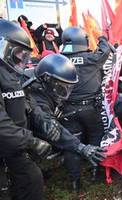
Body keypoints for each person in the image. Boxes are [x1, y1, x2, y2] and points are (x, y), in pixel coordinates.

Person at [23, 54, 106, 169]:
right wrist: (80, 147)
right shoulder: (34, 91)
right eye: (61, 87)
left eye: (69, 88)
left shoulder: (40, 81)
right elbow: (47, 123)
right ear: (47, 79)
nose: (65, 95)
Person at [0, 19, 52, 200]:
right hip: (10, 144)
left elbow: (29, 105)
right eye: (18, 54)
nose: (21, 60)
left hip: (14, 146)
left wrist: (46, 122)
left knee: (31, 180)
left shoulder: (10, 74)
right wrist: (32, 142)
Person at [59, 26, 111, 192]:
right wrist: (102, 37)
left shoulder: (58, 60)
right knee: (96, 136)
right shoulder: (92, 58)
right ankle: (95, 171)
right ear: (83, 41)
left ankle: (75, 183)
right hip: (90, 108)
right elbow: (105, 51)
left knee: (72, 144)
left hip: (67, 110)